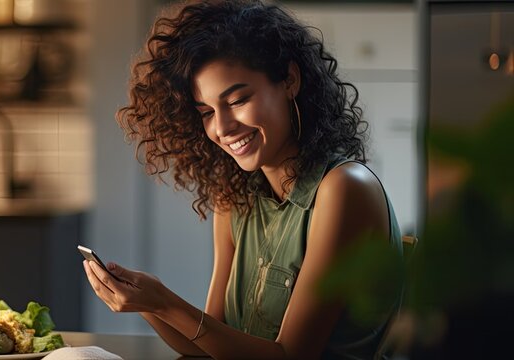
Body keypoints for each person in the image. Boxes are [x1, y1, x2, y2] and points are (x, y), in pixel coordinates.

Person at [82, 0, 404, 359]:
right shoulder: (234, 196)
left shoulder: (345, 188)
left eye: (237, 100)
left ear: (290, 80)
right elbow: (208, 346)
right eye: (206, 112)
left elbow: (290, 355)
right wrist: (148, 303)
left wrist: (165, 301)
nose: (221, 128)